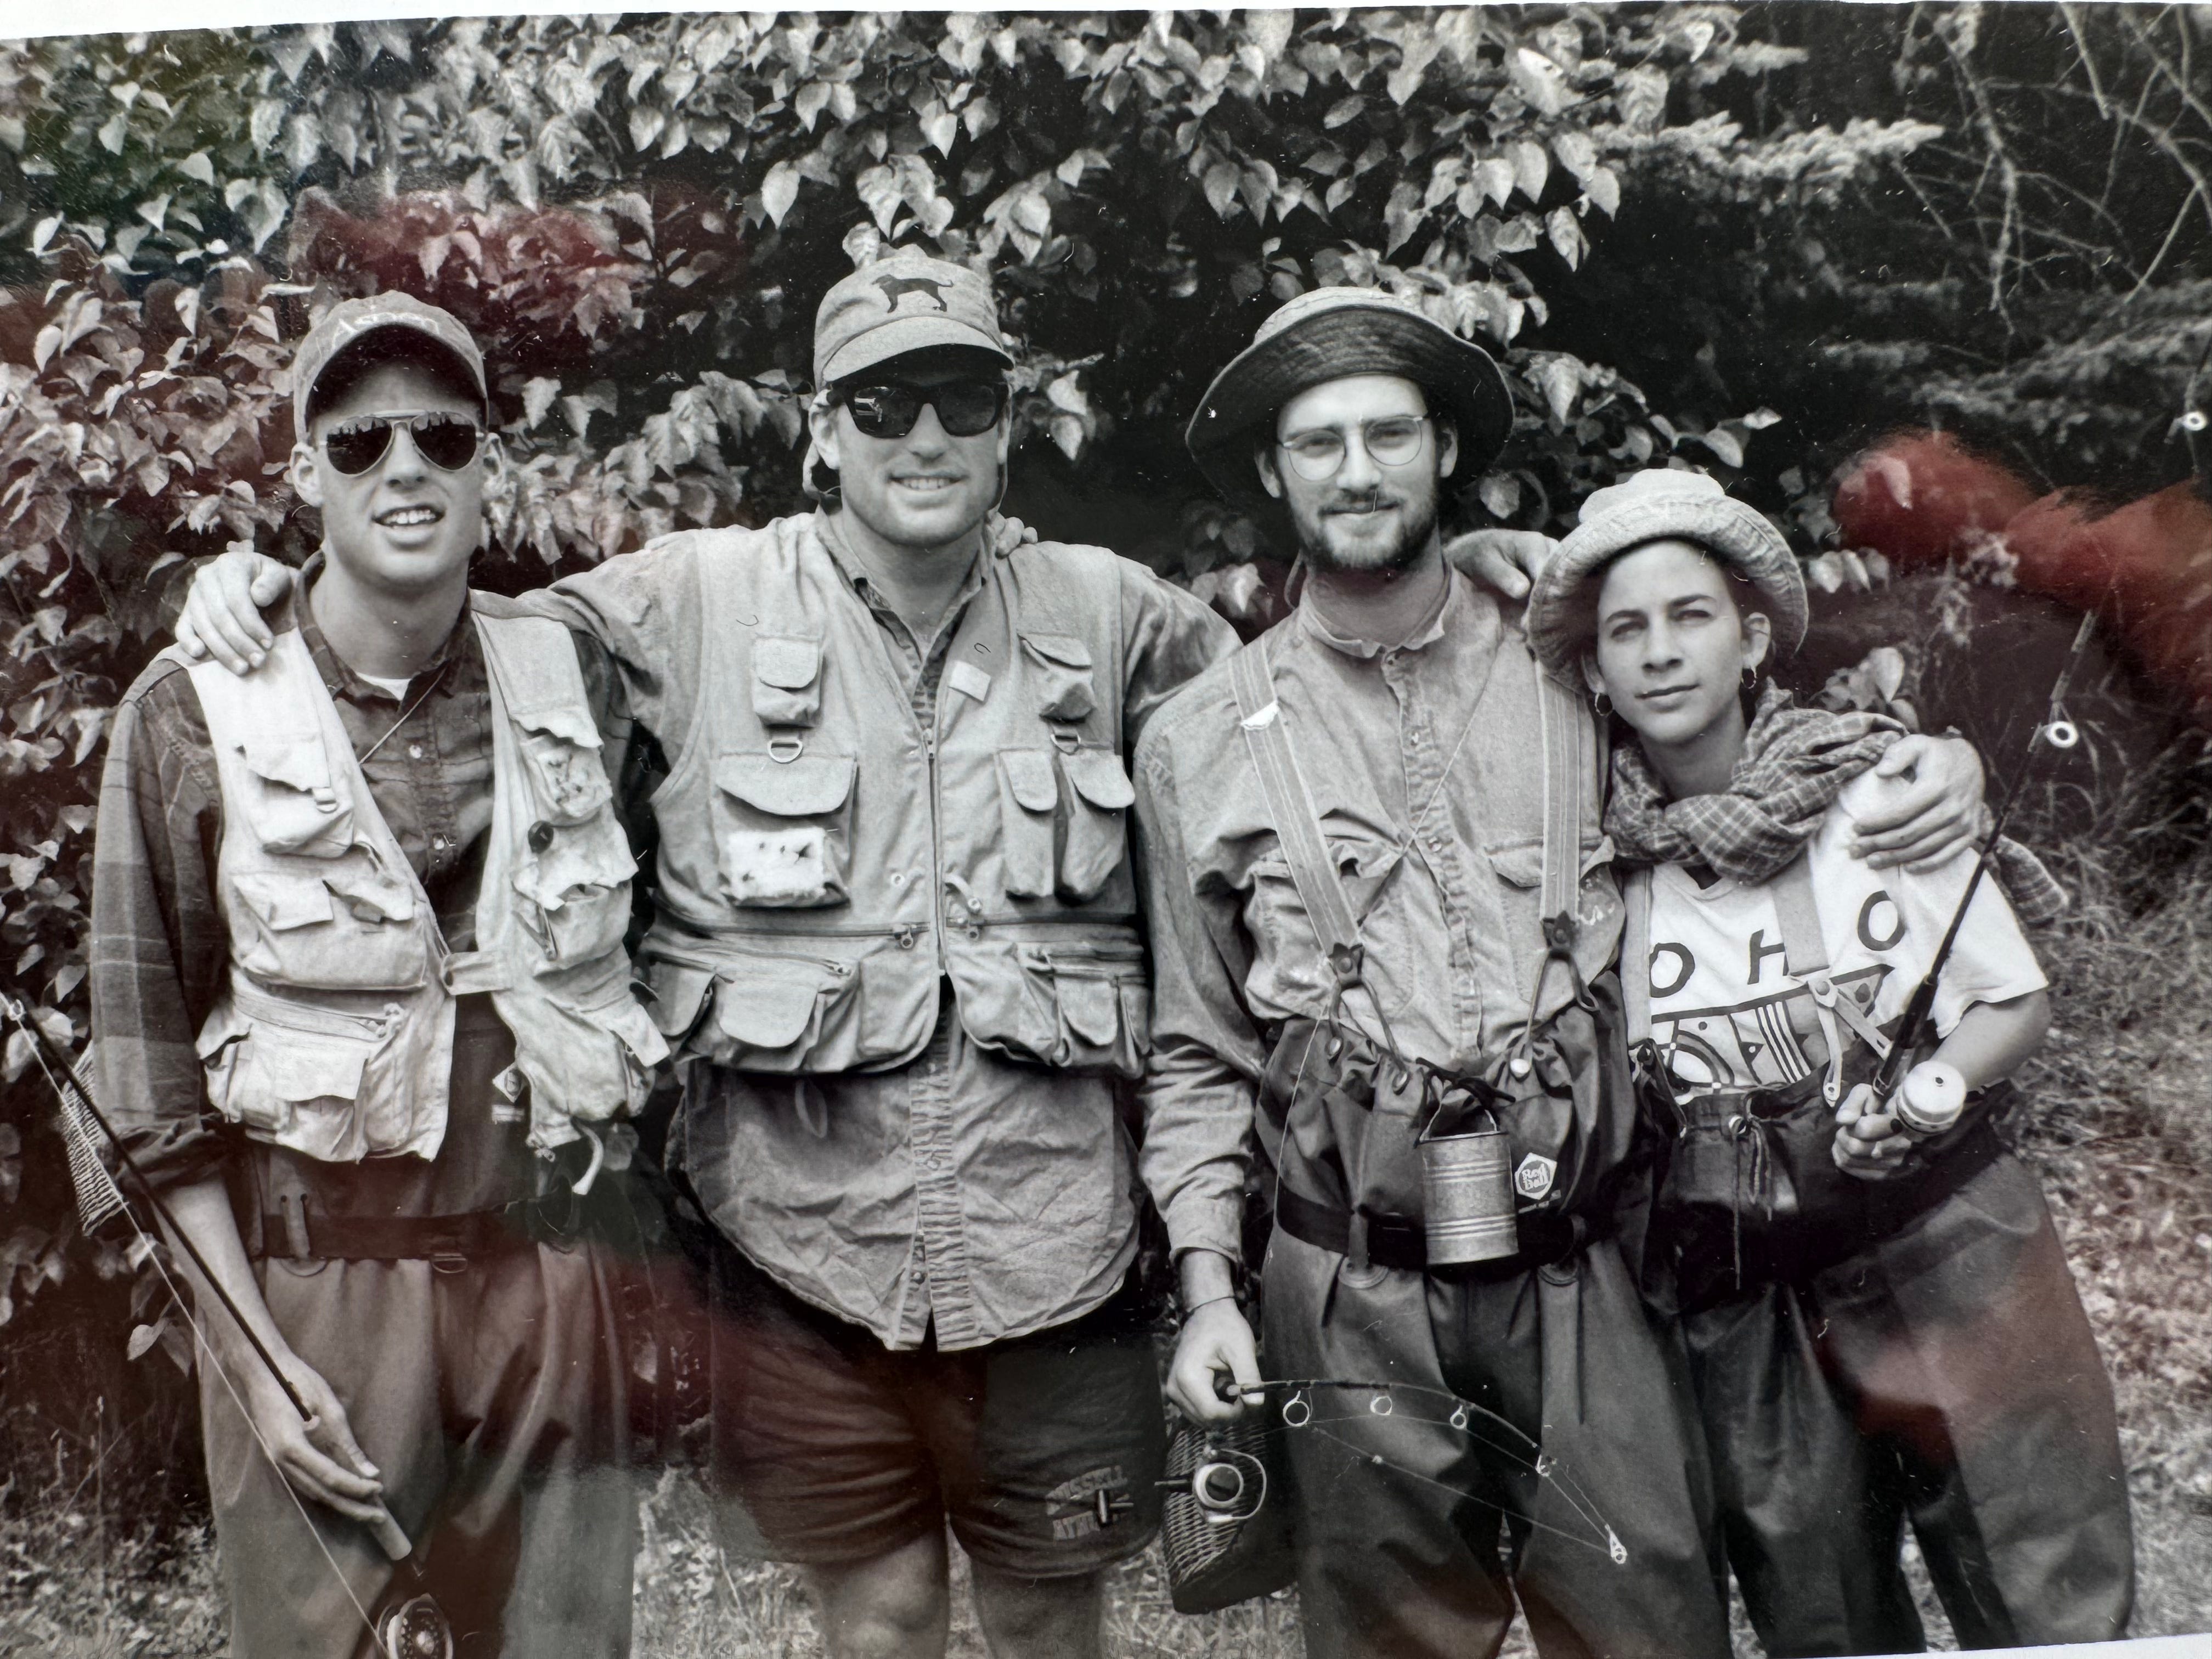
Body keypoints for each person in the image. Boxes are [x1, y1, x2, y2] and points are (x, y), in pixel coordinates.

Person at [1137, 287, 1990, 1659]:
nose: (1357, 472)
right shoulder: (1196, 743)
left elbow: (1762, 759)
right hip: (1350, 1285)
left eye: (1389, 434)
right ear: (1269, 472)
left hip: (1589, 1265)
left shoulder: (1575, 664)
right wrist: (1208, 1293)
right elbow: (1197, 1048)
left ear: (1442, 452)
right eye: (1318, 443)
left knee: (1648, 1621)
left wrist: (1938, 763)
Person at [92, 293, 658, 1658]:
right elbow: (148, 1091)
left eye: (443, 436)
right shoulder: (187, 713)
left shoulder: (580, 666)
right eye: (359, 443)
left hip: (550, 1278)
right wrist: (256, 1366)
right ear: (304, 473)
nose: (406, 468)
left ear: (487, 463)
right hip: (320, 1300)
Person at [1520, 467, 2134, 1652]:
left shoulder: (1879, 792)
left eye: (1691, 616)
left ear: (1752, 639)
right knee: (1820, 1610)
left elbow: (2013, 1002)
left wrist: (1928, 1093)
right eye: (1625, 630)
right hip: (1746, 1286)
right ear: (1593, 667)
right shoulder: (1591, 863)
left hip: (1947, 1237)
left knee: (2041, 1581)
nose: (1660, 653)